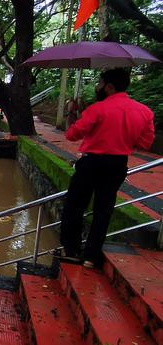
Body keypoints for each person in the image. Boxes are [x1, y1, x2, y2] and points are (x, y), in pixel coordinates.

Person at [58, 68, 155, 268]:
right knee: (103, 210)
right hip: (118, 164)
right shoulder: (144, 112)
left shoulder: (98, 109)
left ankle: (71, 250)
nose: (97, 87)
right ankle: (91, 256)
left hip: (92, 163)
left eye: (99, 83)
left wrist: (71, 112)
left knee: (74, 206)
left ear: (109, 87)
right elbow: (145, 143)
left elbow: (72, 134)